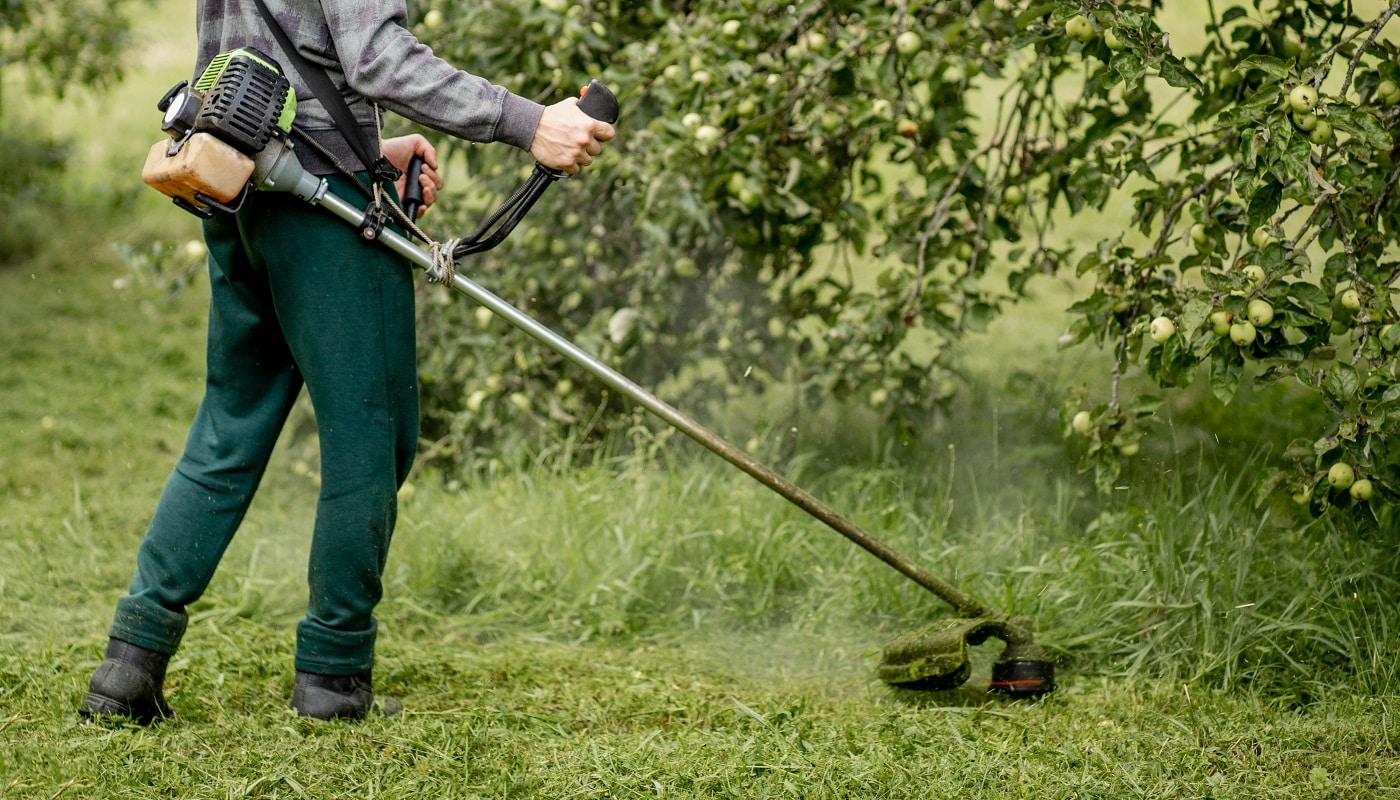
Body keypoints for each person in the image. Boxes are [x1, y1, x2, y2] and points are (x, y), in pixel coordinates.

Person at [79, 0, 614, 723]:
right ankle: (333, 677)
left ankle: (129, 664)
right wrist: (531, 122)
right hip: (319, 207)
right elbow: (377, 59)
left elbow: (263, 48)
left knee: (229, 424)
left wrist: (368, 145)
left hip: (236, 180)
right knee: (370, 436)